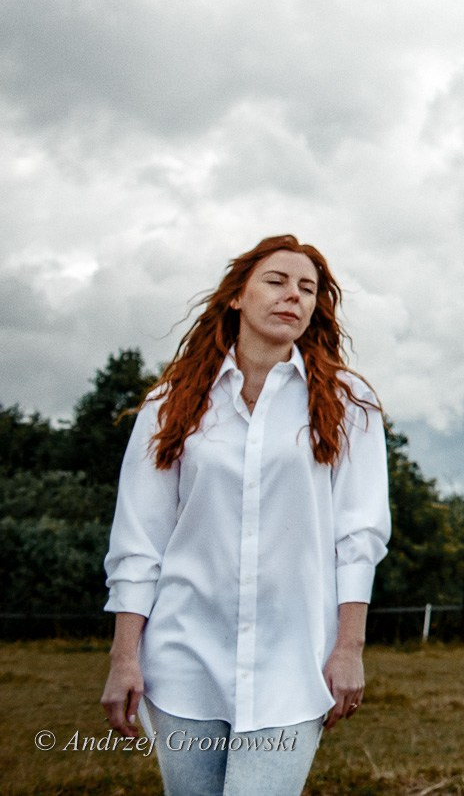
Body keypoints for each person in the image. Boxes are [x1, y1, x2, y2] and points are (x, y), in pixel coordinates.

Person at [99, 235, 391, 796]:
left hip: (294, 661)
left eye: (307, 289)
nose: (293, 297)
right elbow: (139, 541)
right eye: (277, 281)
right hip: (183, 659)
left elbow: (359, 535)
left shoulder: (349, 403)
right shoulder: (172, 403)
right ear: (236, 296)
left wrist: (349, 648)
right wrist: (123, 658)